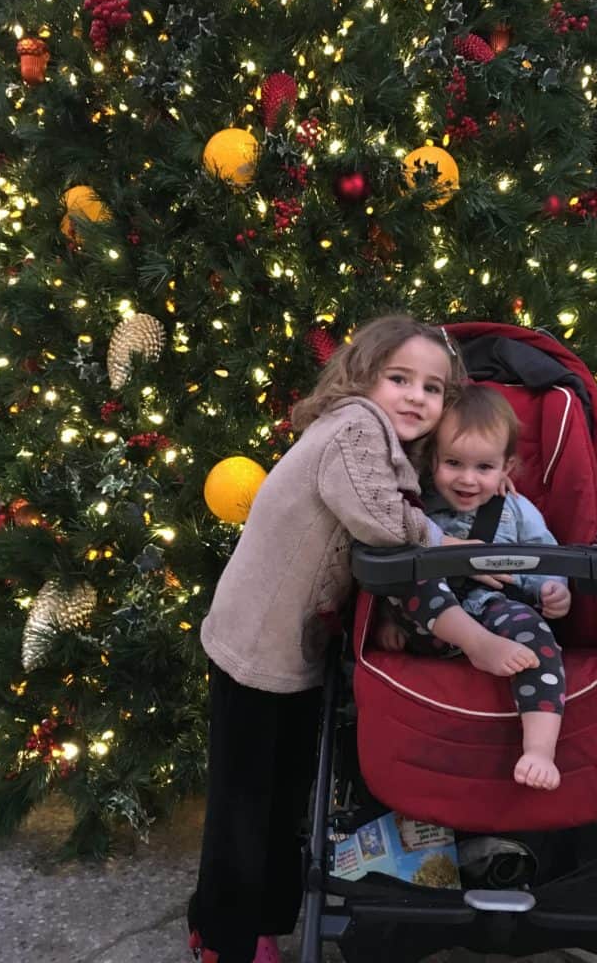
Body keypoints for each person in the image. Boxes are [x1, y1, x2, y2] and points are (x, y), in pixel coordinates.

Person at [188, 315, 467, 963]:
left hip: (291, 648)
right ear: (362, 373)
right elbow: (377, 521)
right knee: (246, 798)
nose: (415, 397)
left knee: (284, 791)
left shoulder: (383, 444)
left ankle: (266, 917)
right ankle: (221, 934)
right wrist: (450, 544)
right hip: (255, 646)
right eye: (400, 378)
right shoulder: (353, 429)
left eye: (433, 388)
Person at [374, 384, 571, 792]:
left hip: (494, 612)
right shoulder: (417, 505)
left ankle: (538, 749)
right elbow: (387, 553)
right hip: (427, 623)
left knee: (536, 635)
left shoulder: (516, 509)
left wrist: (552, 588)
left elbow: (545, 555)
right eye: (453, 463)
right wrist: (384, 619)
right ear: (432, 461)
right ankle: (476, 644)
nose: (467, 479)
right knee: (410, 568)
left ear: (506, 468)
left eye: (484, 468)